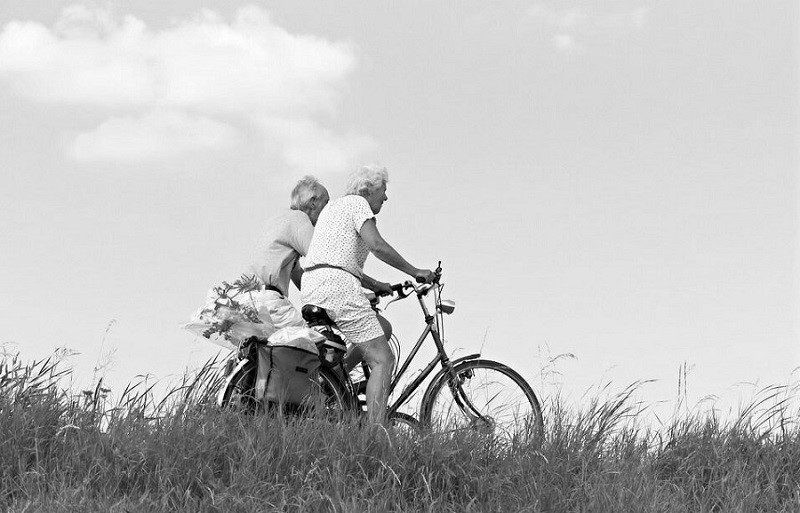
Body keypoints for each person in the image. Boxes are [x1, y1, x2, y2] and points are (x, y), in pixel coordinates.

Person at [301, 165, 434, 426]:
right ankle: (375, 434)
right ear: (366, 190)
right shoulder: (358, 204)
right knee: (383, 358)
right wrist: (415, 270)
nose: (385, 198)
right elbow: (377, 246)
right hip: (337, 287)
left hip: (315, 285)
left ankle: (335, 383)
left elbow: (337, 259)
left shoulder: (333, 209)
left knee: (381, 327)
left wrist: (375, 285)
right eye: (383, 191)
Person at [248, 175, 330, 331]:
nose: (328, 209)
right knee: (315, 345)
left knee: (283, 352)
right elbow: (323, 259)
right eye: (326, 202)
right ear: (313, 202)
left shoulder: (279, 220)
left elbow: (297, 274)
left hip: (250, 300)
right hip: (270, 303)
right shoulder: (299, 218)